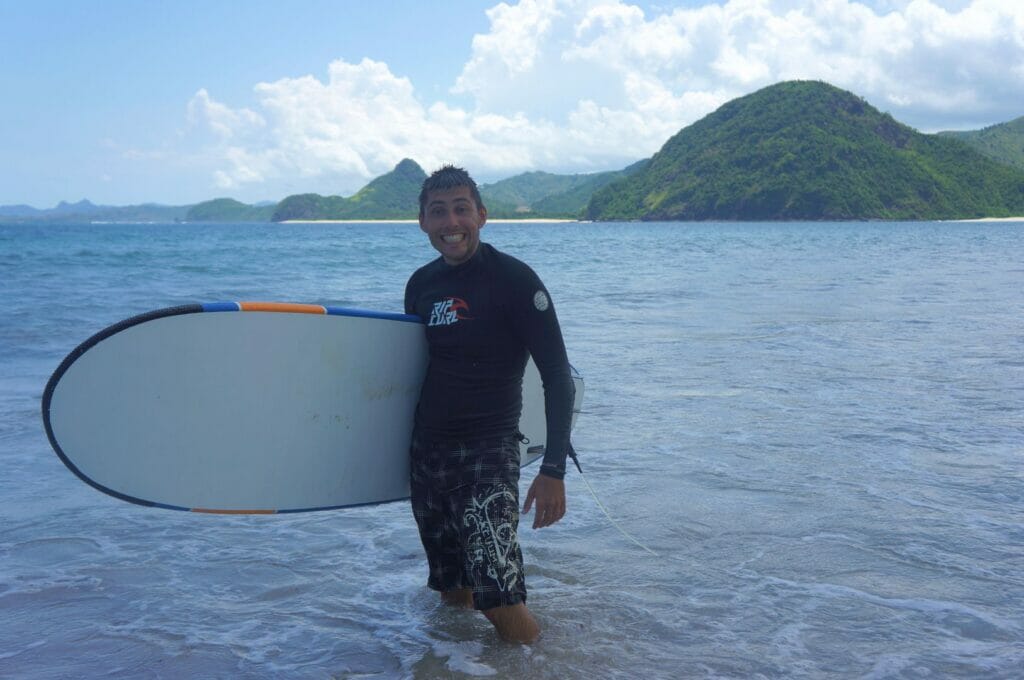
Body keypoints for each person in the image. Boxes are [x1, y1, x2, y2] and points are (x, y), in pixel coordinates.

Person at [404, 165, 576, 643]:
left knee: (499, 597)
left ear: (481, 215)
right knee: (452, 589)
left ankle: (542, 668)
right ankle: (453, 668)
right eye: (438, 212)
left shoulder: (515, 281)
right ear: (422, 221)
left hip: (488, 452)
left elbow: (558, 375)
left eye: (461, 209)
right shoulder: (420, 287)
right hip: (429, 455)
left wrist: (554, 470)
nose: (450, 221)